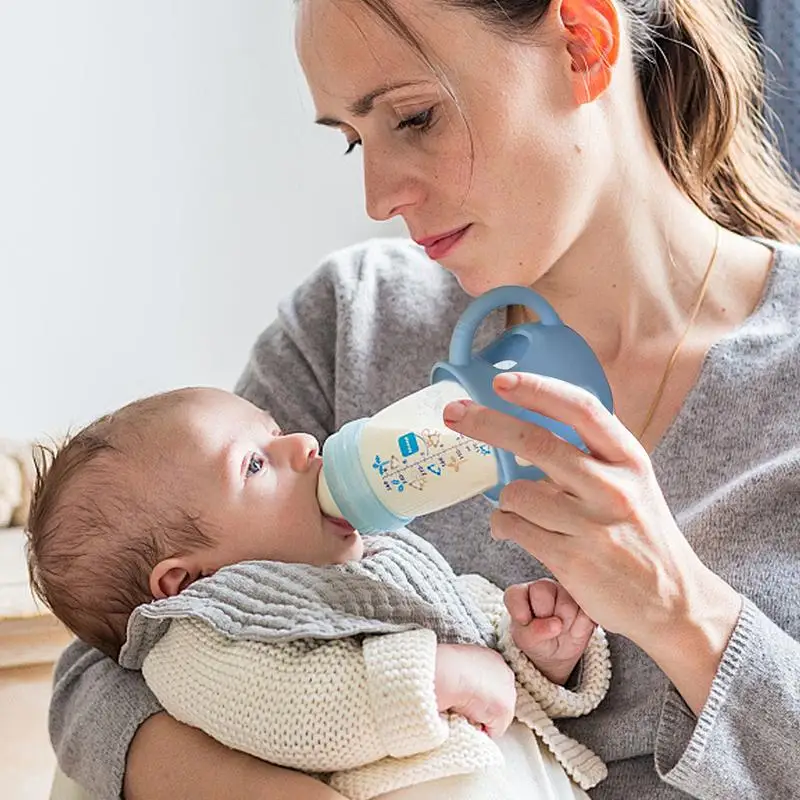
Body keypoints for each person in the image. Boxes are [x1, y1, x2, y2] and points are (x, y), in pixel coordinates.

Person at [48, 1, 800, 798]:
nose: (377, 197)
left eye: (414, 117)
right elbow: (111, 666)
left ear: (583, 40)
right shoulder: (354, 324)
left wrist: (683, 613)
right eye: (352, 138)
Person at [28, 386, 610, 799]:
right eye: (254, 465)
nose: (305, 444)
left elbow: (471, 636)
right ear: (186, 581)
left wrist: (536, 656)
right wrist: (438, 676)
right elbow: (293, 709)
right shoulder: (202, 634)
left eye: (275, 431)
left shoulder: (371, 560)